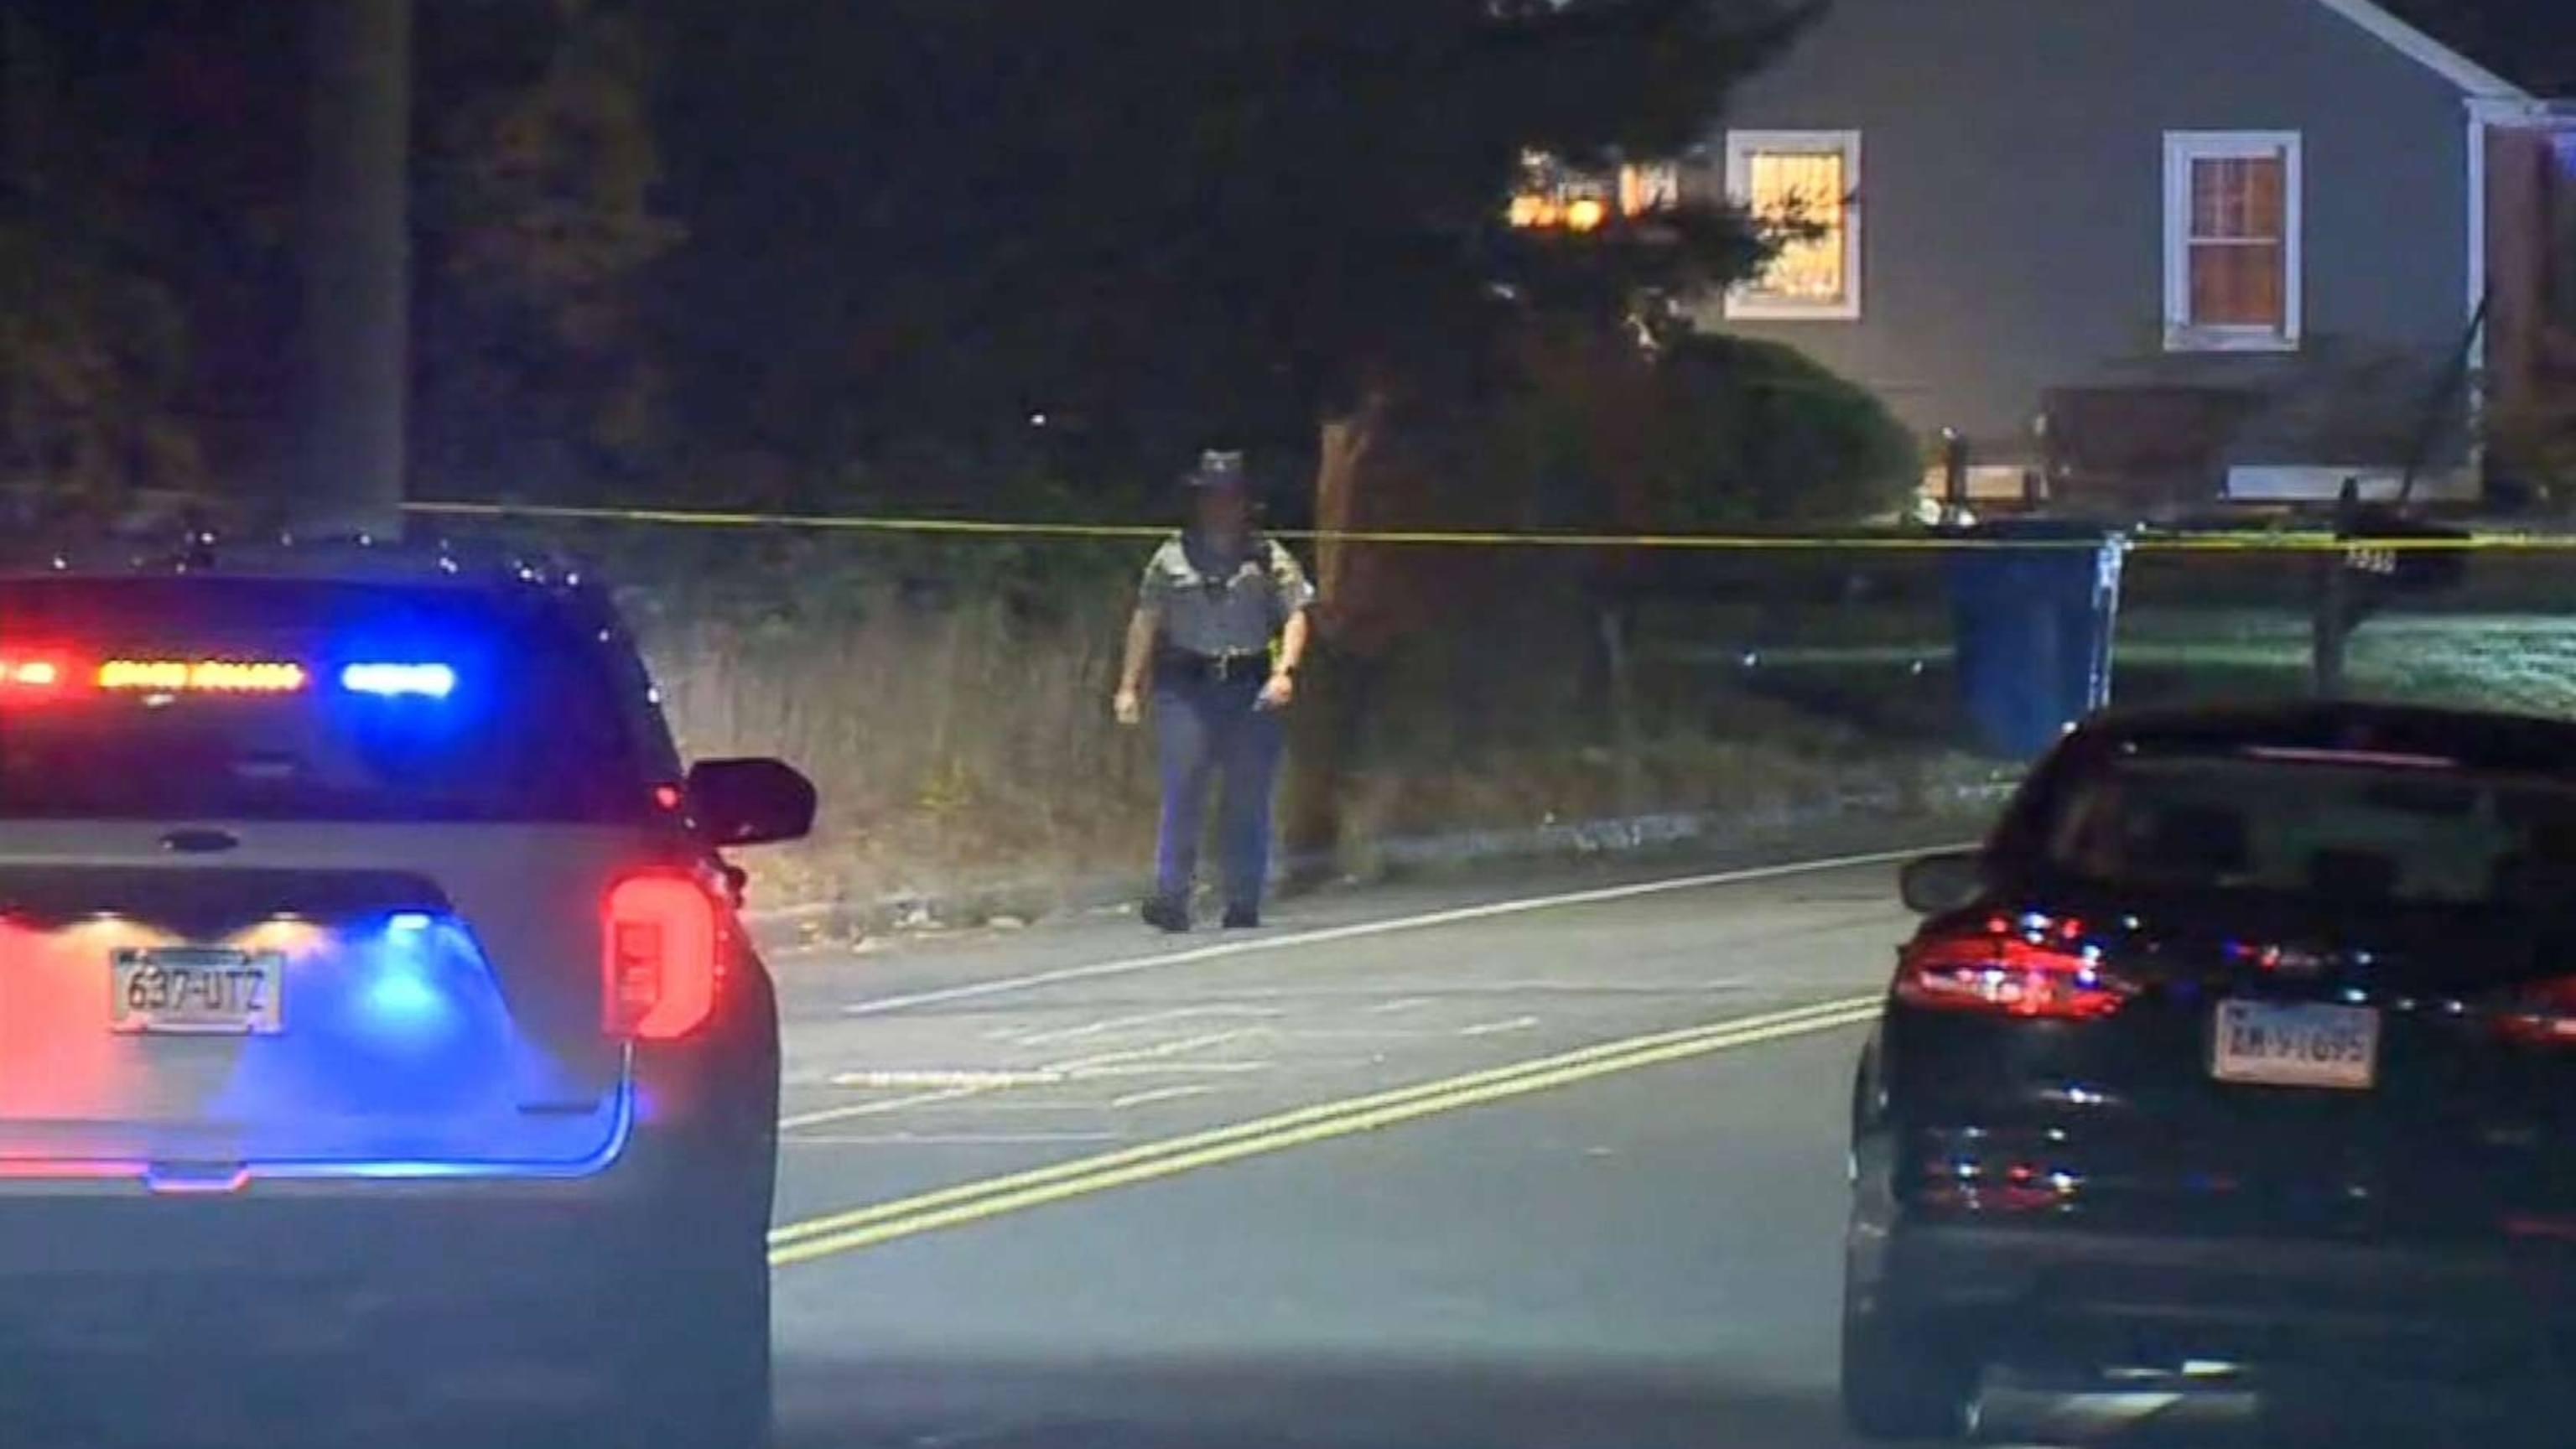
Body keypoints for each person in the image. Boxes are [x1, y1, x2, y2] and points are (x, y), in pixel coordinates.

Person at [1113, 449, 1316, 932]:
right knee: (1183, 791)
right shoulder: (1171, 556)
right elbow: (1146, 620)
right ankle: (1171, 897)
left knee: (1247, 796)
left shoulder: (1267, 557)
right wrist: (1128, 685)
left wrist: (1285, 671)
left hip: (1248, 685)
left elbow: (1296, 613)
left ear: (1245, 503)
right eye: (1211, 497)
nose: (1220, 506)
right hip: (1186, 685)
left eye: (1229, 497)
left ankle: (1243, 899)